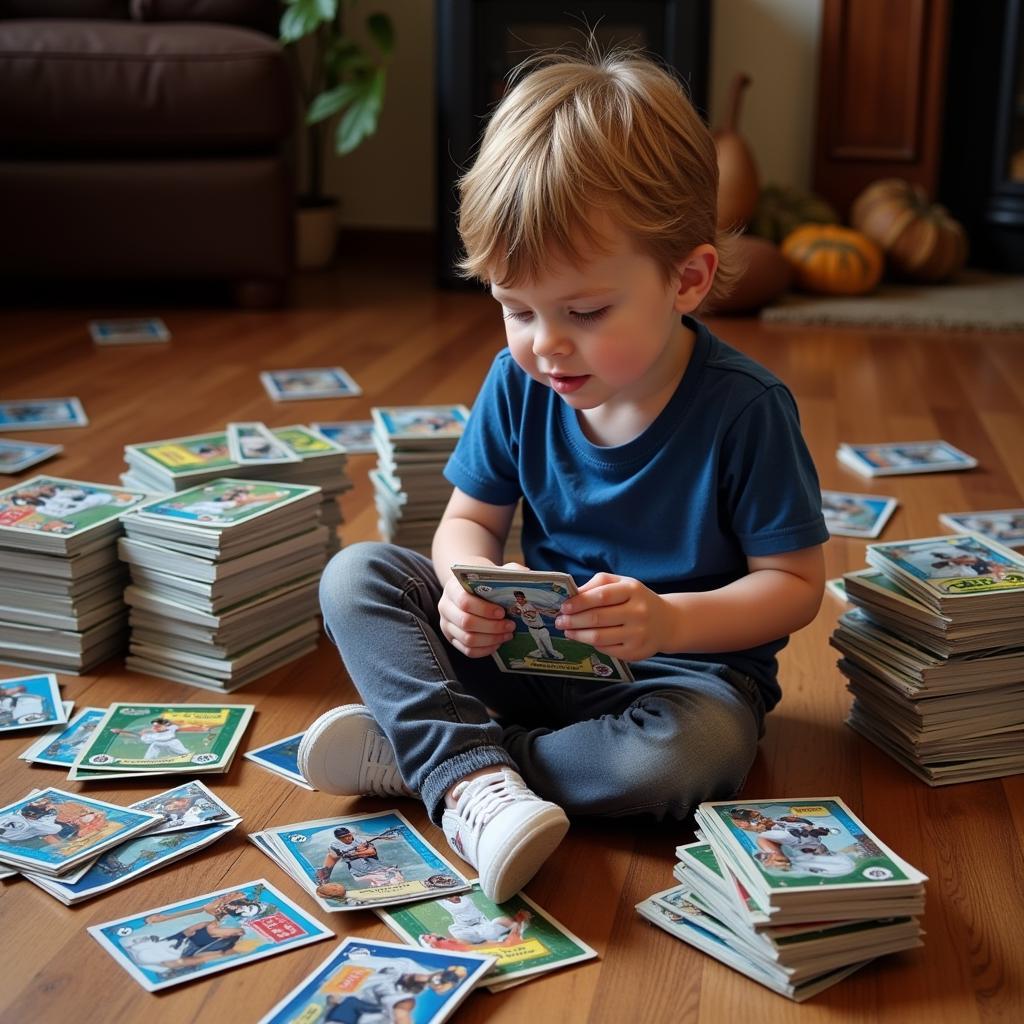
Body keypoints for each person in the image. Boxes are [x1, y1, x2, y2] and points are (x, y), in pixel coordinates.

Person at [298, 47, 827, 904]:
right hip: (525, 657)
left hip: (679, 682)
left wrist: (666, 623)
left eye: (584, 312)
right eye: (517, 309)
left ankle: (443, 758)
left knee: (690, 758)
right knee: (356, 573)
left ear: (685, 280)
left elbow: (796, 586)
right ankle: (472, 773)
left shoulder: (745, 410)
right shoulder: (520, 383)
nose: (546, 343)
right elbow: (467, 519)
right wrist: (469, 582)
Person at [509, 589, 564, 660]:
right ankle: (545, 657)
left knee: (549, 647)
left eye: (520, 598)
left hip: (541, 629)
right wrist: (515, 610)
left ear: (523, 597)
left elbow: (541, 611)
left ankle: (559, 657)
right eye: (517, 598)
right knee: (540, 646)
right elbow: (513, 610)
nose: (519, 600)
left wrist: (554, 614)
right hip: (531, 629)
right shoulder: (517, 605)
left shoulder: (530, 604)